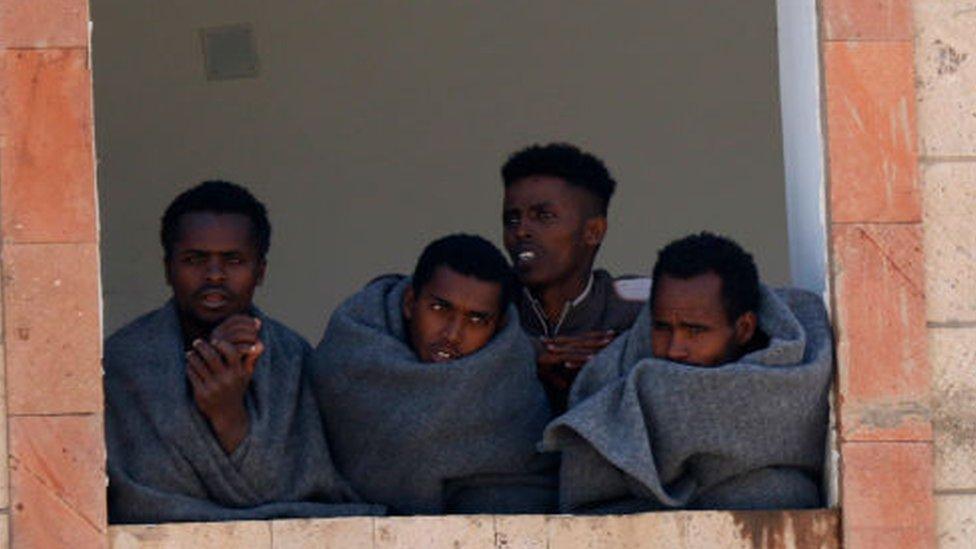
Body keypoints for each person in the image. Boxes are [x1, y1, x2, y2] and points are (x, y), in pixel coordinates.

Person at [104, 181, 380, 523]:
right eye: (195, 259)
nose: (215, 275)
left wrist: (228, 414)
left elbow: (300, 486)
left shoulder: (293, 359)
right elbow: (136, 495)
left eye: (234, 260)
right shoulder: (123, 361)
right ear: (167, 268)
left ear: (260, 271)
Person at [543, 232, 833, 512]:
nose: (674, 349)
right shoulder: (608, 378)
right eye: (662, 327)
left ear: (744, 328)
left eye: (695, 330)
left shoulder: (800, 370)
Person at [312, 234, 556, 515]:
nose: (452, 334)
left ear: (498, 327)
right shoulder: (349, 353)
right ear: (409, 303)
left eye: (476, 319)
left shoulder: (517, 390)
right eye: (439, 308)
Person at [501, 143, 649, 411]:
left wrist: (627, 354)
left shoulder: (636, 303)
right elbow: (404, 295)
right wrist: (526, 353)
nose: (521, 230)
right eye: (512, 219)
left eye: (543, 216)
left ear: (593, 231)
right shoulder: (484, 300)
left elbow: (741, 307)